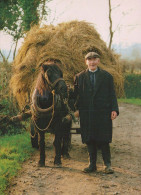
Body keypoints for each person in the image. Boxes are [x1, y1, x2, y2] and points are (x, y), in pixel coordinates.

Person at [74, 51, 119, 174]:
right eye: (89, 59)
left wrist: (114, 109)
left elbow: (112, 95)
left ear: (98, 61)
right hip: (87, 112)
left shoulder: (107, 76)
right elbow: (76, 96)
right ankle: (92, 165)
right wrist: (75, 109)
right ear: (86, 62)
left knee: (103, 138)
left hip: (103, 112)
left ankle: (107, 165)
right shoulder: (79, 77)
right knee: (89, 138)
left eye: (94, 59)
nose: (92, 62)